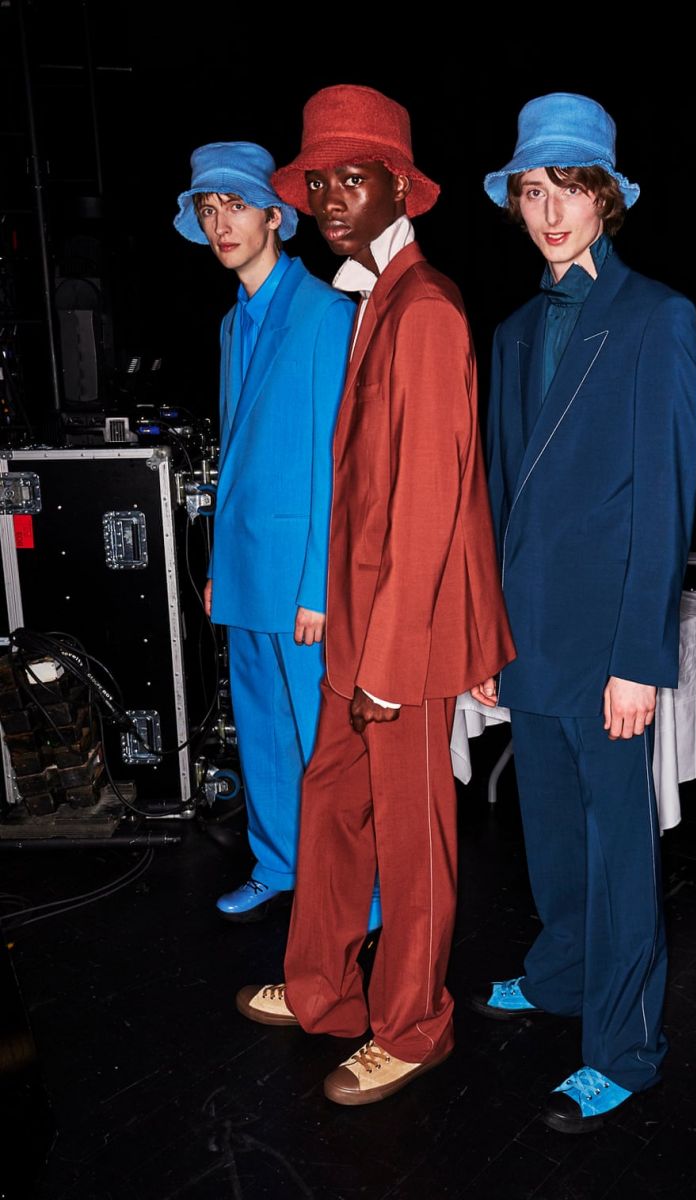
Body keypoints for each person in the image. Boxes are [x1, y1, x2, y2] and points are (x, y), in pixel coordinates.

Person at [234, 85, 516, 1105]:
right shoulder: (372, 302)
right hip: (355, 628)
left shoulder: (425, 309)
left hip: (404, 639)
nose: (328, 200)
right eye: (317, 182)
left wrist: (391, 666)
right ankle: (323, 989)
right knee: (330, 808)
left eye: (351, 179)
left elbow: (433, 505)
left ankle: (412, 1025)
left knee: (412, 836)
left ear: (400, 186)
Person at [471, 93, 696, 1132]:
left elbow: (663, 501)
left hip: (608, 645)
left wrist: (637, 658)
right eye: (533, 191)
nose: (551, 212)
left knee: (619, 855)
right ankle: (561, 975)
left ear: (604, 199)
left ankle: (624, 1047)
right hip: (526, 637)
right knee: (551, 836)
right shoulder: (514, 332)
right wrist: (486, 635)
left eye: (569, 188)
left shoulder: (656, 317)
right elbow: (496, 497)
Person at [174, 141, 364, 923]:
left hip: (300, 579)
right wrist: (220, 564)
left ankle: (358, 891)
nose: (221, 223)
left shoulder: (325, 312)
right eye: (208, 210)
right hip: (248, 569)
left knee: (326, 743)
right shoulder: (231, 323)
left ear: (276, 216)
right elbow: (236, 456)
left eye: (236, 207)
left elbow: (336, 462)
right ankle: (278, 862)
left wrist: (319, 584)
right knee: (260, 731)